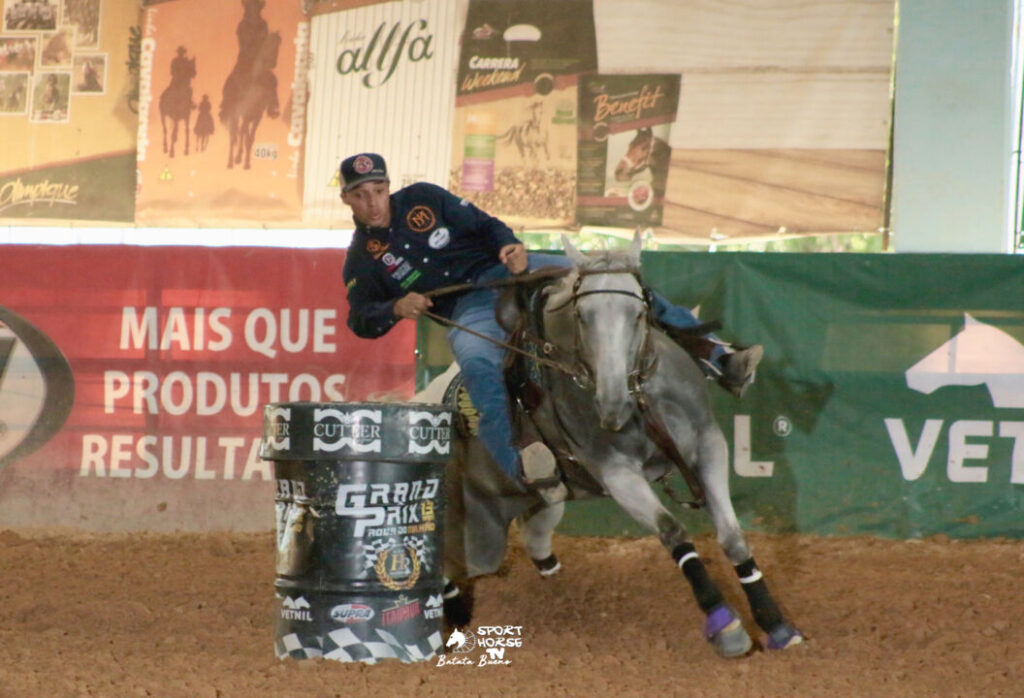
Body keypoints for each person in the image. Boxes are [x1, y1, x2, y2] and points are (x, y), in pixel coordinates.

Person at [339, 153, 762, 504]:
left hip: (511, 268)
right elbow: (360, 319)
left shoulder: (424, 198)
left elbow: (486, 224)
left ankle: (718, 356)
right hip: (468, 306)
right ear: (347, 200)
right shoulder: (362, 259)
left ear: (388, 186)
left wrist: (509, 244)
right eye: (361, 195)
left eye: (378, 190)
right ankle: (522, 468)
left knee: (613, 285)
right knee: (478, 364)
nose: (373, 202)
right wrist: (395, 306)